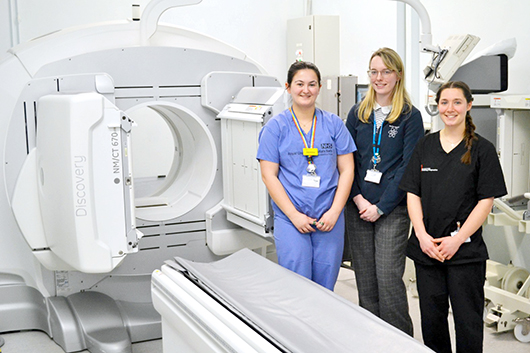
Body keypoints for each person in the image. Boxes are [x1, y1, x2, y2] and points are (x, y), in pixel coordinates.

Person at [399, 81, 507, 353]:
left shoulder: (482, 150)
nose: (450, 108)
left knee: (468, 321)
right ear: (437, 106)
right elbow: (412, 193)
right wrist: (421, 236)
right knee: (432, 321)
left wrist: (457, 240)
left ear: (468, 105)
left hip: (465, 252)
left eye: (457, 102)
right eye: (444, 102)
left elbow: (486, 201)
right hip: (428, 251)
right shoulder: (425, 146)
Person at [257, 61, 356, 291]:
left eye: (312, 84)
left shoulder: (333, 124)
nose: (306, 90)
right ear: (288, 87)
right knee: (297, 284)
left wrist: (334, 212)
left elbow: (347, 170)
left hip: (328, 217)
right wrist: (294, 215)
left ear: (319, 87)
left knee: (325, 284)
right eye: (299, 84)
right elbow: (268, 175)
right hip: (291, 218)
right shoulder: (276, 127)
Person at [345, 47, 424, 335]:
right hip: (358, 205)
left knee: (389, 278)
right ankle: (372, 339)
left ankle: (401, 341)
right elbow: (347, 161)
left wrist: (380, 206)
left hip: (392, 208)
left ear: (398, 75)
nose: (379, 78)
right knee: (365, 279)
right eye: (374, 71)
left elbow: (408, 165)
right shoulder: (358, 113)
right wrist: (357, 198)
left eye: (386, 71)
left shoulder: (410, 117)